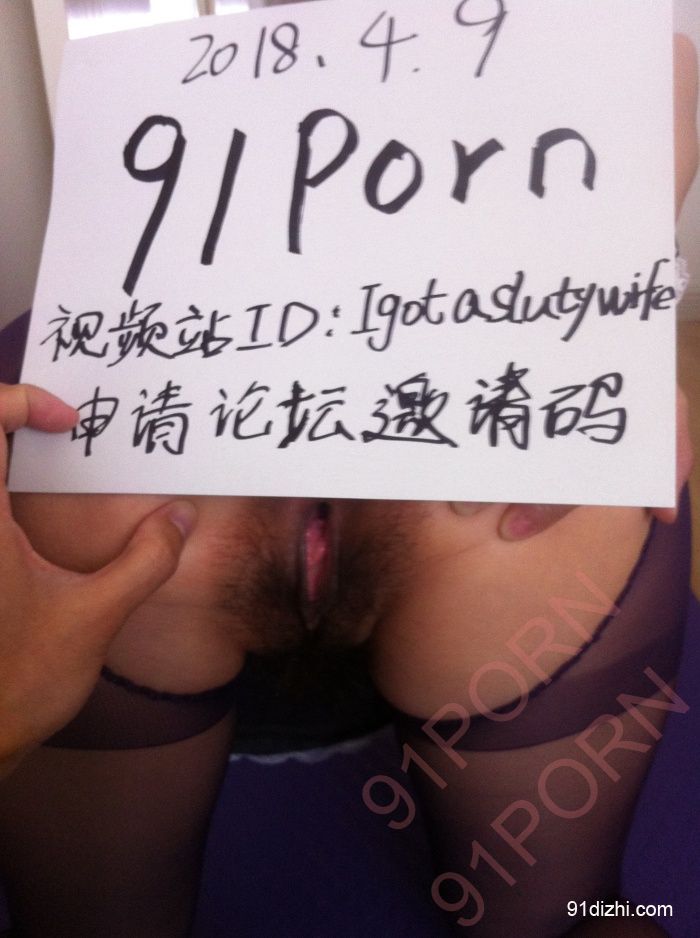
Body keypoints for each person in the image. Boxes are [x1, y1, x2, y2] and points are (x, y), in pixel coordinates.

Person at [0, 7, 696, 937]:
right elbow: (654, 76)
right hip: (495, 455)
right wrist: (605, 326)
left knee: (91, 930)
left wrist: (616, 316)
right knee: (576, 917)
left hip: (135, 429)